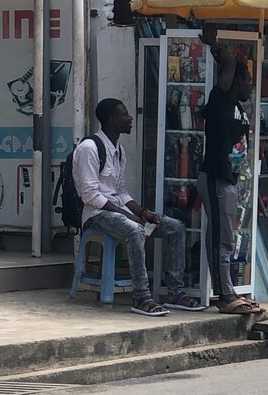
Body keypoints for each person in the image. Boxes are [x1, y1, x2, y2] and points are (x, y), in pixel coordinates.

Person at [72, 97, 203, 317]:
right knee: (135, 230)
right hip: (95, 214)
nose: (130, 118)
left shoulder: (119, 151)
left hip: (116, 211)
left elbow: (121, 191)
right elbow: (90, 195)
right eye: (125, 115)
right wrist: (128, 217)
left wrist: (142, 212)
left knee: (175, 227)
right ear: (111, 120)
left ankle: (175, 292)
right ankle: (141, 297)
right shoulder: (89, 148)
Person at [198, 25, 262, 314]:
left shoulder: (237, 107)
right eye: (248, 82)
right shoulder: (221, 100)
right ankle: (225, 296)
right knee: (221, 238)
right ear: (236, 83)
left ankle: (229, 290)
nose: (250, 87)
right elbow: (229, 64)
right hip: (216, 177)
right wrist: (214, 45)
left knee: (225, 237)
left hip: (230, 180)